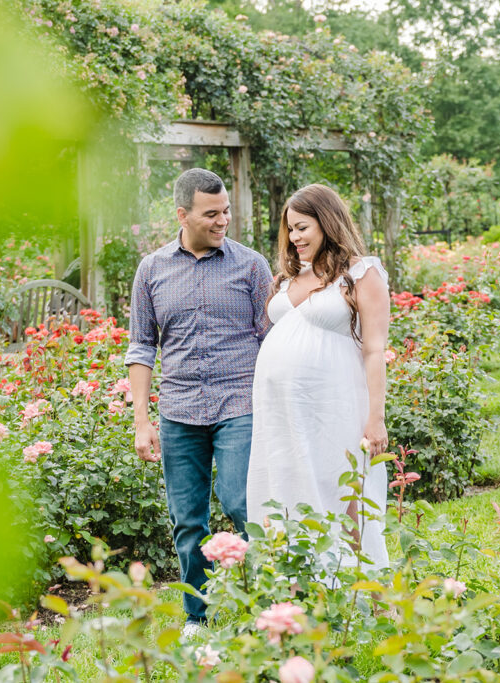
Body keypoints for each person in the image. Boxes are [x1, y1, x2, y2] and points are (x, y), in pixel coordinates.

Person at [125, 168, 273, 636]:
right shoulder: (151, 269)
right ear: (182, 214)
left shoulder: (251, 266)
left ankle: (268, 605)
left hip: (240, 404)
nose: (223, 219)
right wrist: (142, 422)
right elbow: (141, 347)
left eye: (226, 210)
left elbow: (271, 340)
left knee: (241, 501)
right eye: (212, 213)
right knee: (187, 522)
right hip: (180, 412)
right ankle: (197, 617)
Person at [245, 183, 391, 569]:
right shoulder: (291, 278)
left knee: (341, 492)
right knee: (288, 491)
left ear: (326, 222)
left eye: (302, 227)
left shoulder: (361, 273)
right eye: (290, 229)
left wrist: (375, 419)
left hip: (333, 405)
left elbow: (374, 349)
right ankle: (297, 590)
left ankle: (368, 599)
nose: (294, 238)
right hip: (282, 413)